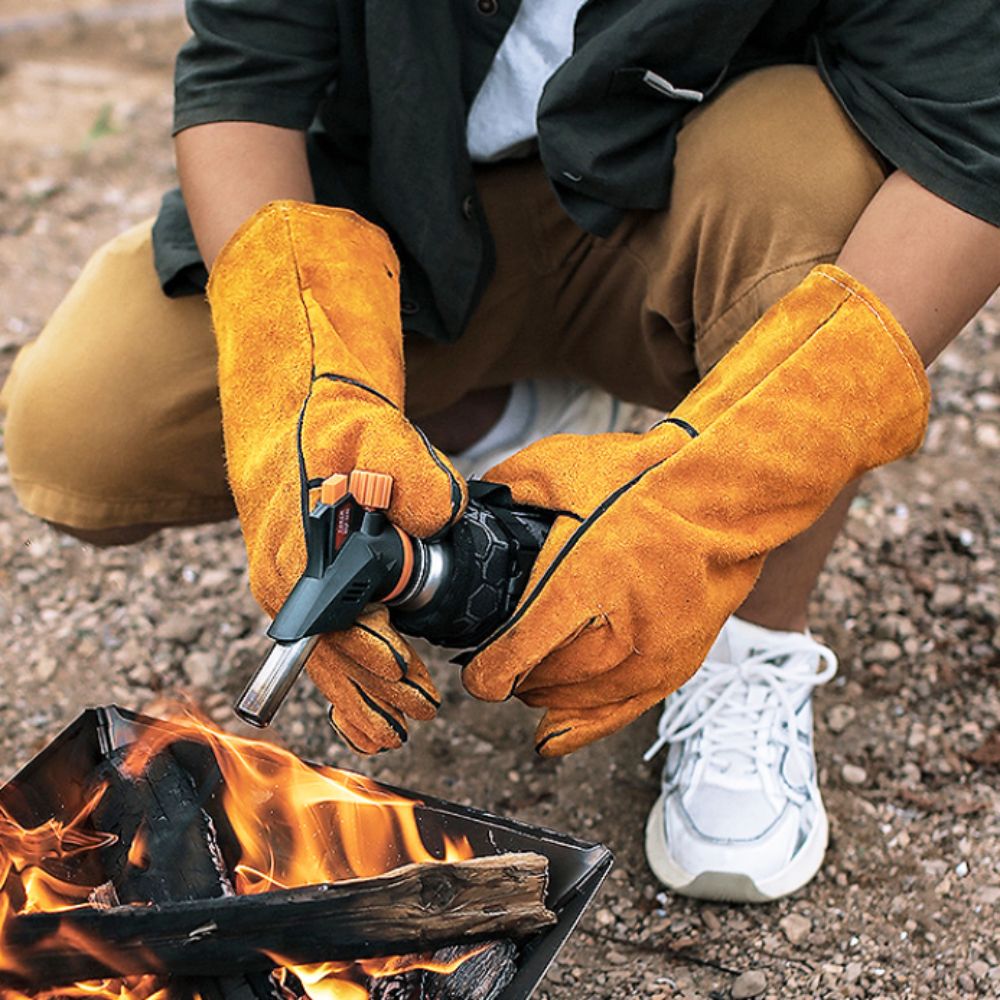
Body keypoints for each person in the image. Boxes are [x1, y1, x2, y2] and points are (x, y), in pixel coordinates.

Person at [2, 0, 999, 905]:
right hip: (403, 211)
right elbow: (245, 76)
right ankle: (505, 425)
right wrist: (300, 389)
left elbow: (971, 148)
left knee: (816, 184)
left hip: (672, 202)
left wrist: (698, 506)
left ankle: (749, 636)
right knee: (82, 429)